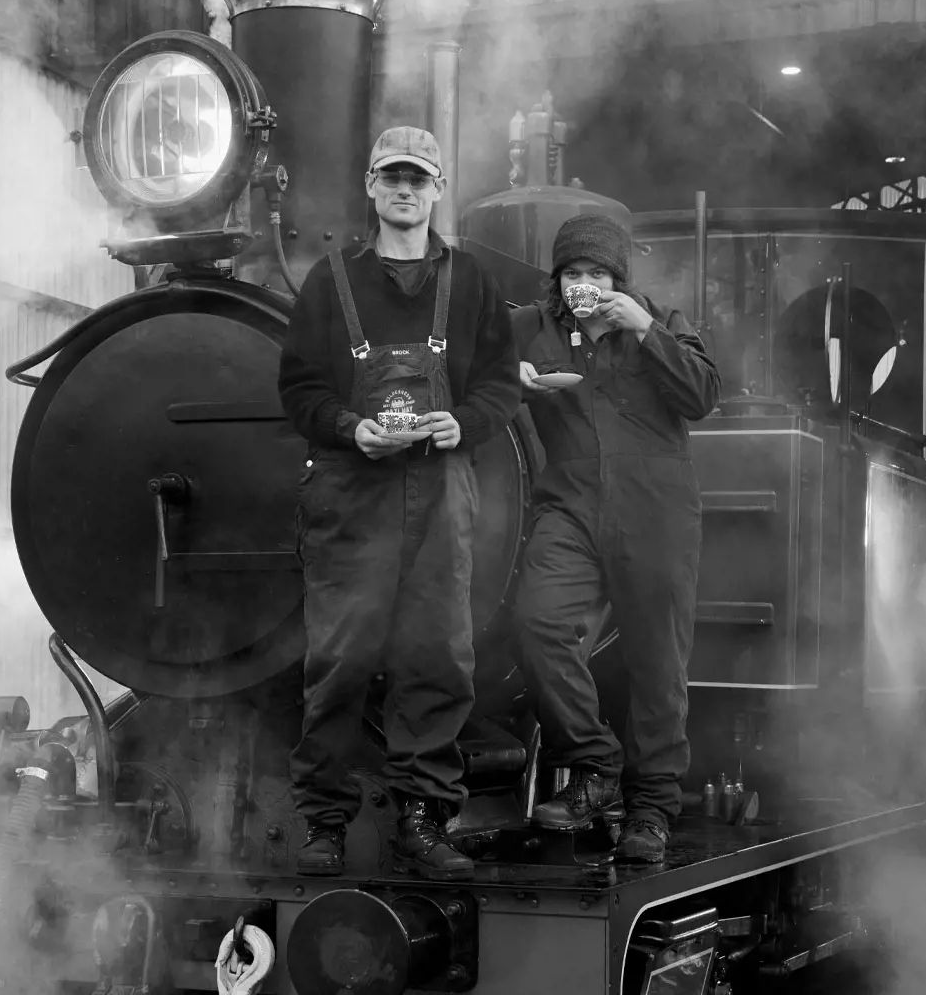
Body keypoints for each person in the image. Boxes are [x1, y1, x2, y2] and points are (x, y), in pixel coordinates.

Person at [276, 127, 520, 880]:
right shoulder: (331, 281)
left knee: (437, 658)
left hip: (442, 494)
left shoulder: (471, 282)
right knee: (340, 661)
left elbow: (501, 386)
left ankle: (423, 819)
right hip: (353, 497)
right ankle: (323, 822)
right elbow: (299, 389)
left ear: (438, 189)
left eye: (419, 178)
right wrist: (352, 428)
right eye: (392, 178)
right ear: (372, 190)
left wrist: (464, 422)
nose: (406, 190)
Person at [514, 213, 720, 864]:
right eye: (573, 273)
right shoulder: (533, 328)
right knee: (535, 623)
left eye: (597, 273)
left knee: (658, 665)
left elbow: (702, 396)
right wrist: (503, 381)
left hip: (656, 517)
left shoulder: (664, 323)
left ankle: (651, 810)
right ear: (558, 280)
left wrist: (646, 329)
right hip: (570, 509)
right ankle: (596, 765)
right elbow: (466, 369)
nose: (585, 285)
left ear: (618, 278)